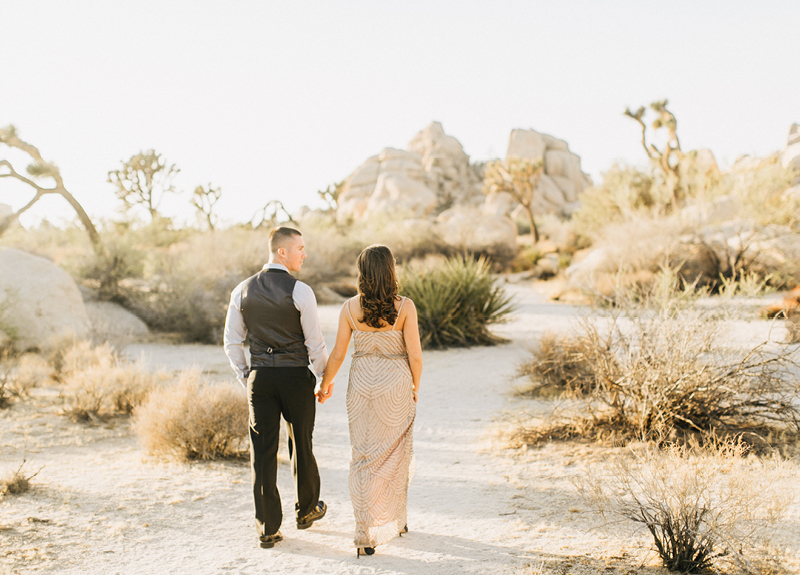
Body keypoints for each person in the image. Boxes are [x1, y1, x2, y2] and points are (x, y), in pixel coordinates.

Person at [223, 226, 329, 549]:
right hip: (296, 377)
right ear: (282, 252)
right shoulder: (301, 292)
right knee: (302, 443)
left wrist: (248, 376)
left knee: (263, 452)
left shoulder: (241, 290)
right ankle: (307, 510)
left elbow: (231, 342)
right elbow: (315, 344)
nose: (304, 253)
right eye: (300, 247)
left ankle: (268, 529)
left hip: (261, 380)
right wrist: (324, 378)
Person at [317, 244, 422, 557]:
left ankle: (364, 532)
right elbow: (414, 355)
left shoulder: (349, 308)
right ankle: (396, 520)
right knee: (395, 453)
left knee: (362, 456)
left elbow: (338, 353)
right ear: (391, 271)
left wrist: (325, 384)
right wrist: (416, 386)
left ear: (362, 273)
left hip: (362, 386)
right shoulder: (405, 308)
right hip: (396, 385)